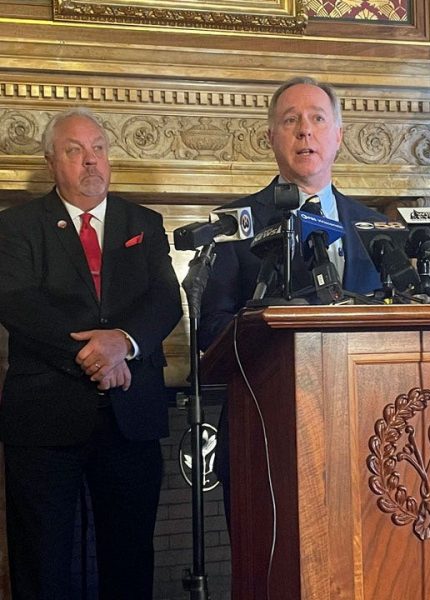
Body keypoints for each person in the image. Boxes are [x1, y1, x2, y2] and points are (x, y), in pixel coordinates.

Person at [0, 107, 183, 599]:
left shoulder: (143, 222)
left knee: (130, 562)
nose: (90, 161)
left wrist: (123, 343)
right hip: (45, 418)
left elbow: (165, 299)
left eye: (98, 149)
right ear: (50, 161)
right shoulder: (16, 226)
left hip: (131, 416)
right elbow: (16, 302)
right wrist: (93, 355)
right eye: (74, 150)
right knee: (42, 564)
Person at [196, 76, 386, 516]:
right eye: (290, 120)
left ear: (338, 136)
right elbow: (211, 327)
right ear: (270, 138)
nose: (305, 131)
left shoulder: (374, 225)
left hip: (364, 426)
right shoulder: (234, 223)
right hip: (263, 427)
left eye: (318, 119)